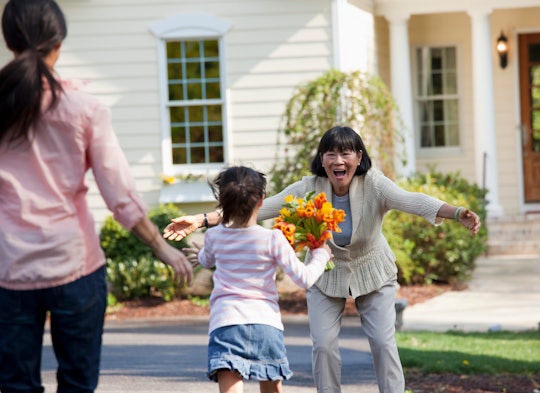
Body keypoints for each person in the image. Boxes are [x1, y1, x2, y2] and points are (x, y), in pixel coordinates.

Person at [164, 126, 481, 393]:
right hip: (325, 275)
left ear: (359, 158)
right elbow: (258, 205)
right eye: (331, 153)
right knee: (324, 346)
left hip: (373, 271)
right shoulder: (308, 187)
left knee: (384, 344)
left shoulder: (374, 184)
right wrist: (202, 219)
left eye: (347, 153)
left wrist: (456, 213)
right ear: (322, 159)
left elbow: (412, 200)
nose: (338, 160)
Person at [0, 1, 193, 392]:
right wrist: (161, 247)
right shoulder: (84, 109)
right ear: (59, 44)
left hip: (7, 270)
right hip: (75, 266)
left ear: (9, 42)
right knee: (77, 385)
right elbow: (118, 192)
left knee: (15, 387)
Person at [182, 166, 333, 393]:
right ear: (261, 200)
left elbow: (207, 258)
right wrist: (321, 254)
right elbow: (304, 279)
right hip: (266, 324)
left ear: (222, 203)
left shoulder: (213, 236)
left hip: (226, 323)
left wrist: (200, 257)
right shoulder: (273, 238)